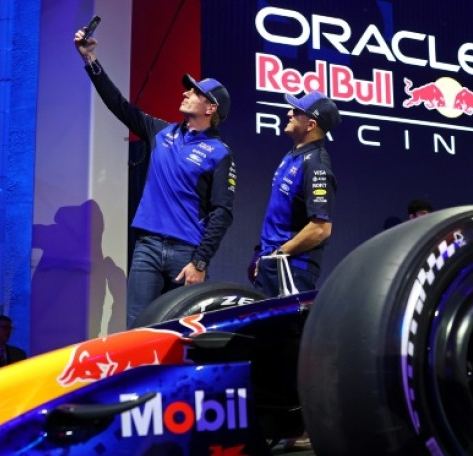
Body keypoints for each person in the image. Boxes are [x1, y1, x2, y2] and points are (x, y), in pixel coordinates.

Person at [74, 27, 237, 328]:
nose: (186, 92)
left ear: (210, 108)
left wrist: (200, 262)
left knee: (183, 333)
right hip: (146, 247)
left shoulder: (219, 152)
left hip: (186, 253)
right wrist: (90, 59)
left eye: (195, 92)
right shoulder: (161, 132)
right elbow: (118, 105)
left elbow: (222, 212)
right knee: (137, 331)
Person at [252, 91, 341, 297]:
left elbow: (321, 229)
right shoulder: (292, 155)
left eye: (296, 111)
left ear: (310, 125)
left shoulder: (316, 164)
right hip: (274, 263)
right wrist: (262, 256)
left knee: (286, 330)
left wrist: (279, 254)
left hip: (292, 268)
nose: (288, 113)